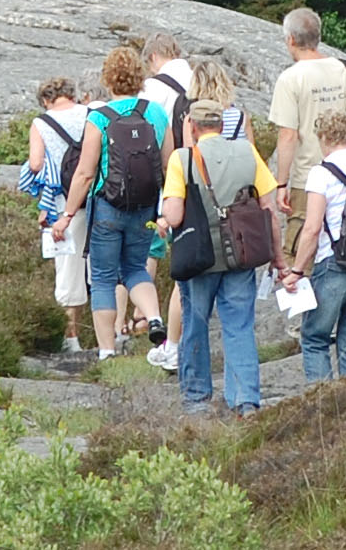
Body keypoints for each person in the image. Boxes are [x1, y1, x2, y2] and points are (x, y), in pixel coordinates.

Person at [160, 61, 275, 417]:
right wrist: (278, 259)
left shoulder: (182, 159)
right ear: (222, 124)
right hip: (241, 253)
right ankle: (245, 400)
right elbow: (268, 208)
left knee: (195, 323)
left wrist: (164, 221)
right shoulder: (247, 152)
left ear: (191, 125)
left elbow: (175, 215)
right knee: (239, 325)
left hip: (200, 256)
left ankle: (196, 398)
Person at [58, 44, 168, 358]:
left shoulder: (99, 117)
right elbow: (168, 162)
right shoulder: (156, 113)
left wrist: (67, 214)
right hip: (146, 207)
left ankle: (107, 351)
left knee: (104, 277)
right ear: (140, 77)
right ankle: (154, 317)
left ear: (108, 79)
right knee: (136, 269)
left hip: (107, 207)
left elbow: (85, 173)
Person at [283, 107, 346, 383]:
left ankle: (325, 413)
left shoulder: (322, 172)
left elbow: (312, 228)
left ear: (323, 137)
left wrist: (296, 270)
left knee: (315, 338)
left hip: (334, 264)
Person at [269, 7, 346, 263]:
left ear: (291, 39)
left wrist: (281, 183)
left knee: (302, 253)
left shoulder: (291, 78)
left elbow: (287, 135)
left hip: (308, 178)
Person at [139, 34, 199, 370]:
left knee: (158, 252)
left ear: (155, 56)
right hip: (203, 175)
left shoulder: (153, 88)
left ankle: (152, 322)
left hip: (168, 180)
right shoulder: (196, 78)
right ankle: (186, 333)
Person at [24, 75, 95, 352]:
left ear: (45, 100)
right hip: (98, 197)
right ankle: (113, 336)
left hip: (63, 202)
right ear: (72, 94)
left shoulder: (41, 123)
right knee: (103, 267)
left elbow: (35, 163)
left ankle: (71, 339)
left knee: (68, 269)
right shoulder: (91, 114)